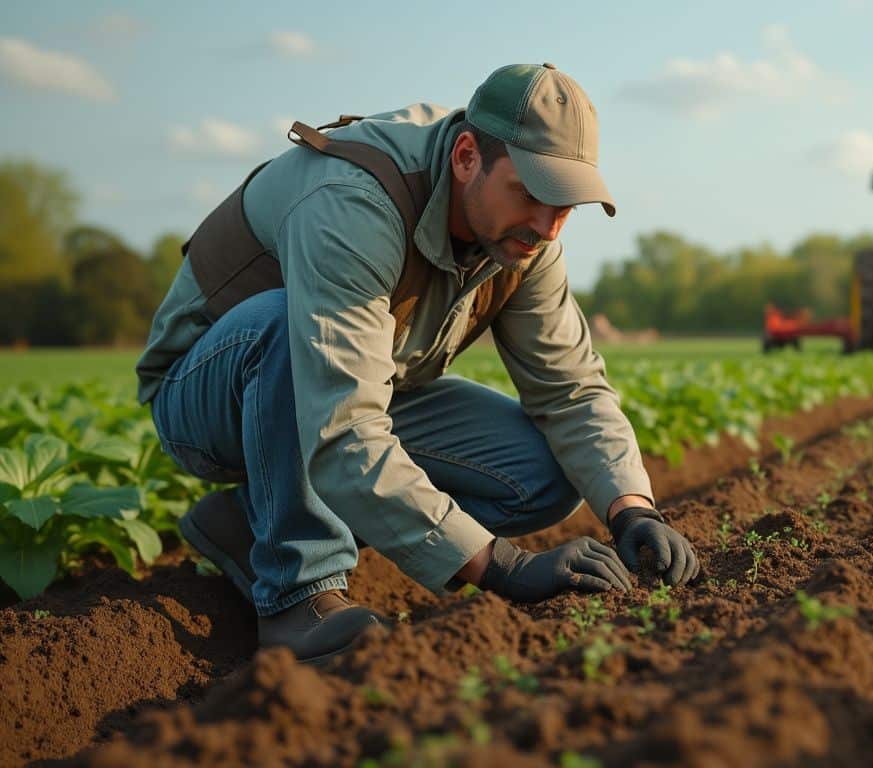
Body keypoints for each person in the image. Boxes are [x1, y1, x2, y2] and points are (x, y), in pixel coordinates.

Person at [135, 63, 699, 665]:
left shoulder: (526, 240)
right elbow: (344, 426)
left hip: (357, 386)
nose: (546, 224)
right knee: (283, 321)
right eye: (531, 192)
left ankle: (253, 522)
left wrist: (631, 510)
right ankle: (296, 593)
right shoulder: (355, 204)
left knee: (540, 474)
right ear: (465, 157)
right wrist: (501, 566)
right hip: (209, 395)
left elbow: (571, 388)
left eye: (565, 203)